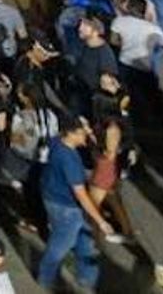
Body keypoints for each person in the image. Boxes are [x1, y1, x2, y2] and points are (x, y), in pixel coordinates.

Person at [36, 115, 112, 294]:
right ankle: (44, 281)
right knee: (60, 246)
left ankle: (86, 280)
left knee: (86, 243)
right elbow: (81, 195)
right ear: (71, 134)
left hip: (54, 198)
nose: (88, 133)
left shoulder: (57, 142)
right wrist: (101, 221)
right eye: (83, 131)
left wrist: (89, 136)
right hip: (67, 209)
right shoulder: (69, 160)